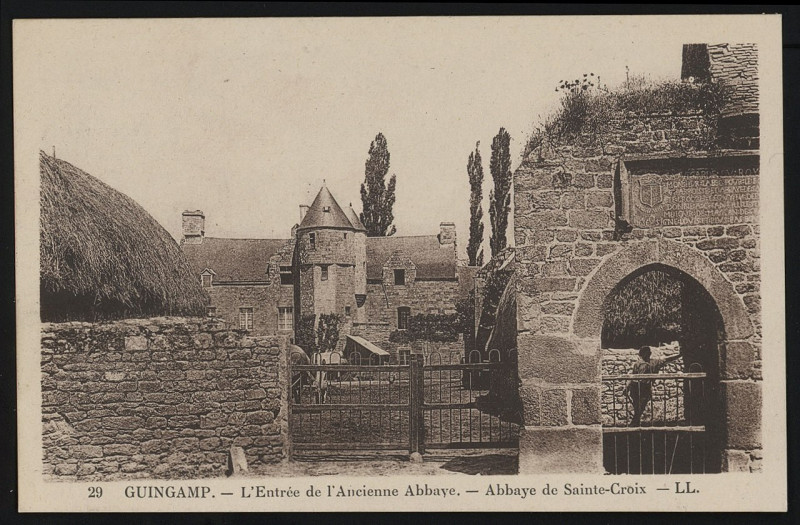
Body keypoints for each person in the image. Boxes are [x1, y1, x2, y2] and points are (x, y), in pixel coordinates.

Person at [625, 345, 682, 426]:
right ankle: (634, 425)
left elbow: (666, 359)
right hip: (637, 388)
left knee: (639, 409)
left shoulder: (654, 362)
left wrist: (679, 355)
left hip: (644, 389)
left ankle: (634, 425)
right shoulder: (638, 364)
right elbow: (633, 376)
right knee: (638, 409)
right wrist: (627, 387)